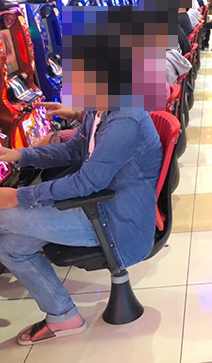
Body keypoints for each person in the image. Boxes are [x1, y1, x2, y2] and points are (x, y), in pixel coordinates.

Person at [0, 105, 162, 345]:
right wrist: (19, 155)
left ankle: (62, 317)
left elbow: (87, 182)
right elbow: (74, 151)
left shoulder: (126, 119)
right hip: (96, 206)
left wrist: (19, 196)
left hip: (115, 220)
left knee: (3, 217)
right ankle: (63, 317)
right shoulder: (99, 110)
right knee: (10, 247)